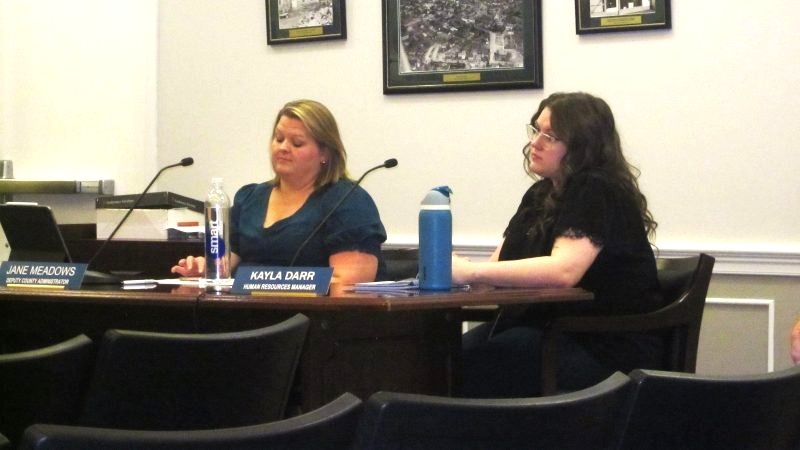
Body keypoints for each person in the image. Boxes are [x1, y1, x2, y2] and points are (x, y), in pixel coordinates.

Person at [453, 92, 661, 397]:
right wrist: (457, 272)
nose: (535, 143)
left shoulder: (597, 189)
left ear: (582, 146)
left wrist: (471, 272)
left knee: (474, 365)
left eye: (550, 136)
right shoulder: (539, 195)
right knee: (442, 360)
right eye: (536, 130)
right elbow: (498, 266)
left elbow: (564, 272)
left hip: (599, 343)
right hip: (547, 332)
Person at [172, 99, 387, 284]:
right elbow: (226, 265)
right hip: (243, 310)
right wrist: (204, 269)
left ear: (325, 153)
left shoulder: (348, 202)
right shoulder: (250, 198)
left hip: (312, 315)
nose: (283, 148)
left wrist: (276, 285)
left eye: (297, 143)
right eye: (279, 138)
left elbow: (349, 285)